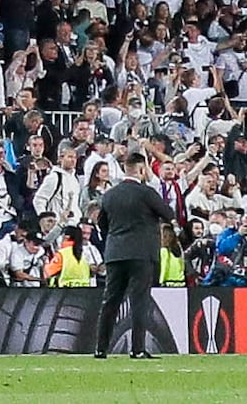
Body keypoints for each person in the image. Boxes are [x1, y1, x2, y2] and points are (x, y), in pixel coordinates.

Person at [91, 151, 177, 358]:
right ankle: (137, 348)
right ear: (140, 169)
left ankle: (100, 348)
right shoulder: (146, 193)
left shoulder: (110, 194)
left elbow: (101, 223)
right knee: (139, 300)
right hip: (141, 253)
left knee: (110, 300)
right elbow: (168, 214)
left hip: (115, 252)